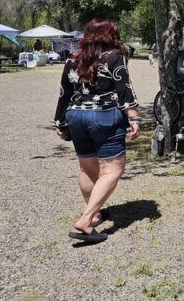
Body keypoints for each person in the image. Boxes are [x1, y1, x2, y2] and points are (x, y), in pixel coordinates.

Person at [54, 19, 140, 243]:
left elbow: (64, 92)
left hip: (75, 115)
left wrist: (60, 122)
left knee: (87, 167)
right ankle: (86, 219)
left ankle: (95, 215)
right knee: (112, 170)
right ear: (110, 35)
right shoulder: (114, 56)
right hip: (103, 115)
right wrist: (134, 117)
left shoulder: (73, 58)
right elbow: (124, 88)